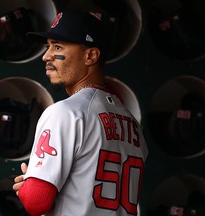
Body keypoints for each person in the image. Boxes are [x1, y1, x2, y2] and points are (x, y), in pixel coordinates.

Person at [13, 10, 148, 216]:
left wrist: (29, 184)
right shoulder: (132, 123)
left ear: (91, 55)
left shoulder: (65, 113)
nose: (46, 56)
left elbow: (36, 202)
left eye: (58, 46)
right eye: (48, 46)